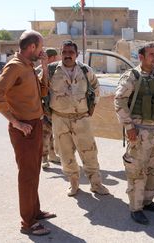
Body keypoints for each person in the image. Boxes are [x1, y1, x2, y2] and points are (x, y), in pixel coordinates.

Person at [0, 30, 56, 236]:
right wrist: (15, 123)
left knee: (33, 171)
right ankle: (28, 223)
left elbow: (43, 92)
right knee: (27, 175)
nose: (43, 51)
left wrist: (44, 66)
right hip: (24, 129)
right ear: (32, 47)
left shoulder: (28, 67)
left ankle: (34, 212)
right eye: (41, 47)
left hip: (35, 125)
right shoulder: (15, 67)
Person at [114, 43, 154, 225]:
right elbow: (119, 101)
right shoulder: (132, 76)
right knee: (137, 171)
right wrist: (129, 127)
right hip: (139, 131)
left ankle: (148, 202)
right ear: (141, 57)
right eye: (151, 54)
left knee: (152, 169)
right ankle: (135, 208)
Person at [46, 40, 109, 197]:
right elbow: (38, 84)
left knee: (89, 152)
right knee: (65, 153)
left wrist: (92, 106)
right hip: (60, 118)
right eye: (65, 52)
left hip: (82, 118)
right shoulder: (50, 70)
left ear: (77, 54)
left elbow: (95, 87)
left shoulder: (85, 70)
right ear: (61, 53)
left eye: (71, 52)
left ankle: (96, 183)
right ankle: (73, 183)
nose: (68, 55)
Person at [35, 48, 61, 169]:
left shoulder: (54, 69)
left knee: (51, 134)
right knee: (45, 134)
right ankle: (44, 158)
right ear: (51, 58)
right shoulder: (41, 71)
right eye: (56, 57)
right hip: (44, 108)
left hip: (52, 108)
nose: (58, 59)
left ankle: (52, 155)